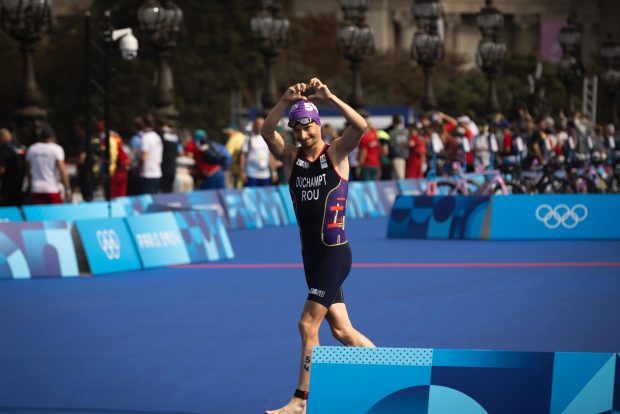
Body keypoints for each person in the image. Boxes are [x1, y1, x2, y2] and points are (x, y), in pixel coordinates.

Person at [260, 78, 375, 414]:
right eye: (296, 129)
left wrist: (330, 97)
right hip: (312, 258)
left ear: (318, 125)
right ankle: (386, 371)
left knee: (307, 325)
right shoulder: (291, 158)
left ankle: (300, 401)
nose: (302, 135)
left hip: (334, 253)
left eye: (307, 128)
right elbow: (267, 133)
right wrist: (283, 101)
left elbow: (361, 126)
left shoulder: (336, 153)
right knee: (341, 329)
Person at [25, 125, 71, 204]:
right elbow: (62, 170)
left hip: (36, 188)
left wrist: (30, 184)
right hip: (52, 188)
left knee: (37, 215)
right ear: (52, 137)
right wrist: (67, 188)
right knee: (55, 215)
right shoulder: (57, 149)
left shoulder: (32, 149)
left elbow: (28, 170)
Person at [240, 112, 274, 187]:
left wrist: (274, 172)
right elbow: (243, 156)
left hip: (265, 175)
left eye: (261, 123)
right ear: (254, 124)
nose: (259, 125)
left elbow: (270, 156)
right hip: (251, 174)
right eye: (257, 123)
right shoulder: (248, 138)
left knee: (266, 198)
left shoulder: (267, 139)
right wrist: (242, 172)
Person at [139, 115, 163, 194]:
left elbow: (144, 157)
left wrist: (138, 168)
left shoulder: (146, 137)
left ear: (143, 124)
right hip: (157, 172)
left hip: (148, 173)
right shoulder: (157, 137)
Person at [0, 128, 25, 206]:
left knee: (8, 207)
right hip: (21, 183)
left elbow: (1, 170)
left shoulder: (3, 149)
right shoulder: (19, 146)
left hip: (8, 184)